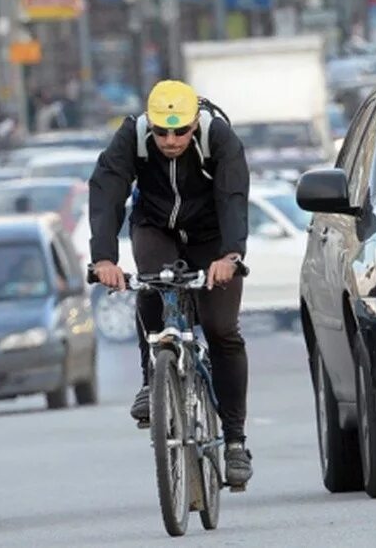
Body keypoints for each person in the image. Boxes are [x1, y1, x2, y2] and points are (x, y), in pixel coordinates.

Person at [88, 80, 253, 487]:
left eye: (181, 131)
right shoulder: (133, 136)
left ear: (195, 123)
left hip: (211, 235)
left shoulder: (219, 137)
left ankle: (234, 442)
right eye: (162, 131)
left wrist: (231, 256)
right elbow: (107, 193)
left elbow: (233, 197)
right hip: (154, 225)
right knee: (151, 285)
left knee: (220, 329)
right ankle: (152, 379)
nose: (171, 140)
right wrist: (104, 258)